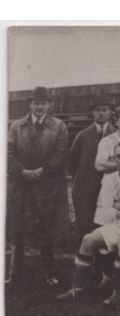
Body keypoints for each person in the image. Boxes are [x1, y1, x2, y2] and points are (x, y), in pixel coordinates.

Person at [57, 141, 120, 304]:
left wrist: (118, 205)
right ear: (114, 159)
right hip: (117, 222)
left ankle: (119, 292)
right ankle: (77, 288)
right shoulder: (109, 178)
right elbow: (105, 209)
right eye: (119, 156)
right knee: (88, 240)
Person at [7, 86, 70, 286]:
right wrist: (22, 171)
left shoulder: (59, 126)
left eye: (43, 103)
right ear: (30, 104)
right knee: (17, 228)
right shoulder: (16, 126)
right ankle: (14, 274)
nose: (40, 106)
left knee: (46, 228)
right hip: (21, 186)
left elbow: (61, 154)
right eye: (36, 102)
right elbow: (8, 154)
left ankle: (48, 272)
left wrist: (42, 170)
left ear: (49, 105)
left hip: (47, 186)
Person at [69, 95, 116, 243]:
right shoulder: (83, 135)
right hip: (85, 189)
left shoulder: (117, 135)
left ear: (110, 113)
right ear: (92, 113)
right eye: (97, 110)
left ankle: (103, 263)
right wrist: (82, 180)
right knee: (84, 226)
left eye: (104, 110)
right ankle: (83, 260)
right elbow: (72, 162)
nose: (101, 113)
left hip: (109, 189)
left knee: (105, 228)